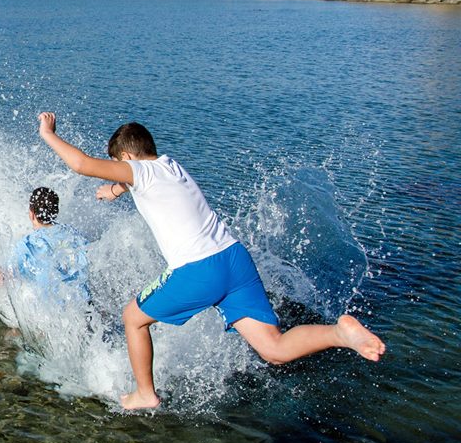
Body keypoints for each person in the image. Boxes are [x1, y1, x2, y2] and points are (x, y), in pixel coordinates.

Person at [36, 112, 386, 410]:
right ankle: (340, 333)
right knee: (274, 349)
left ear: (126, 157)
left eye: (117, 167)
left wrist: (48, 134)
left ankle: (145, 393)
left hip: (199, 268)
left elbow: (81, 164)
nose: (116, 173)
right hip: (234, 260)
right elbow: (139, 184)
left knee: (132, 318)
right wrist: (114, 190)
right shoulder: (169, 166)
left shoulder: (139, 171)